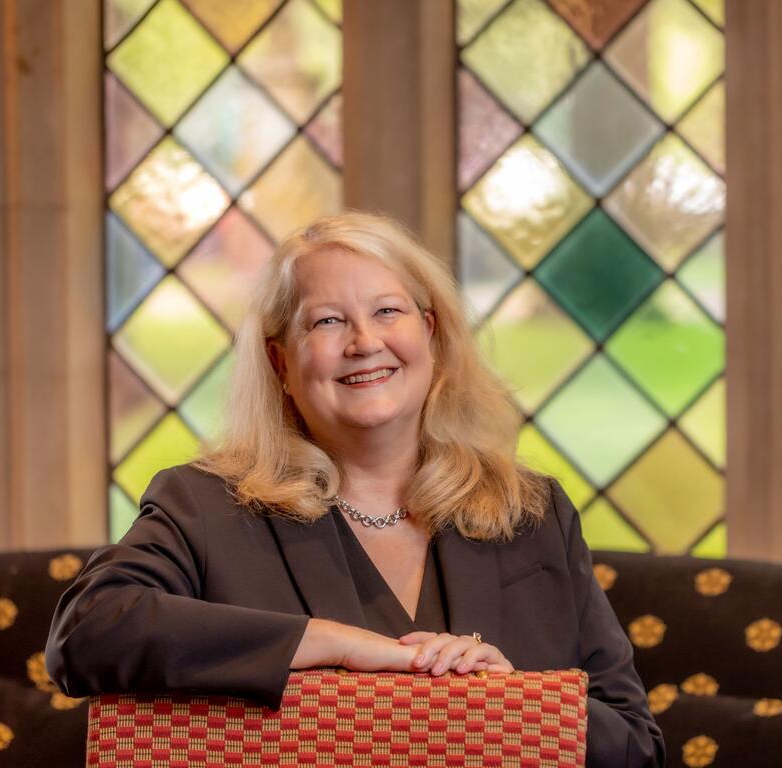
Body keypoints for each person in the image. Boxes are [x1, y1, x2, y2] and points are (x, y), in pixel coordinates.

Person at [45, 211, 666, 768]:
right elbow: (86, 633)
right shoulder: (205, 505)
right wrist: (333, 646)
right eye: (327, 320)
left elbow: (636, 745)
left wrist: (516, 708)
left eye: (388, 312)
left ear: (430, 335)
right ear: (282, 362)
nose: (364, 341)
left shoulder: (533, 514)